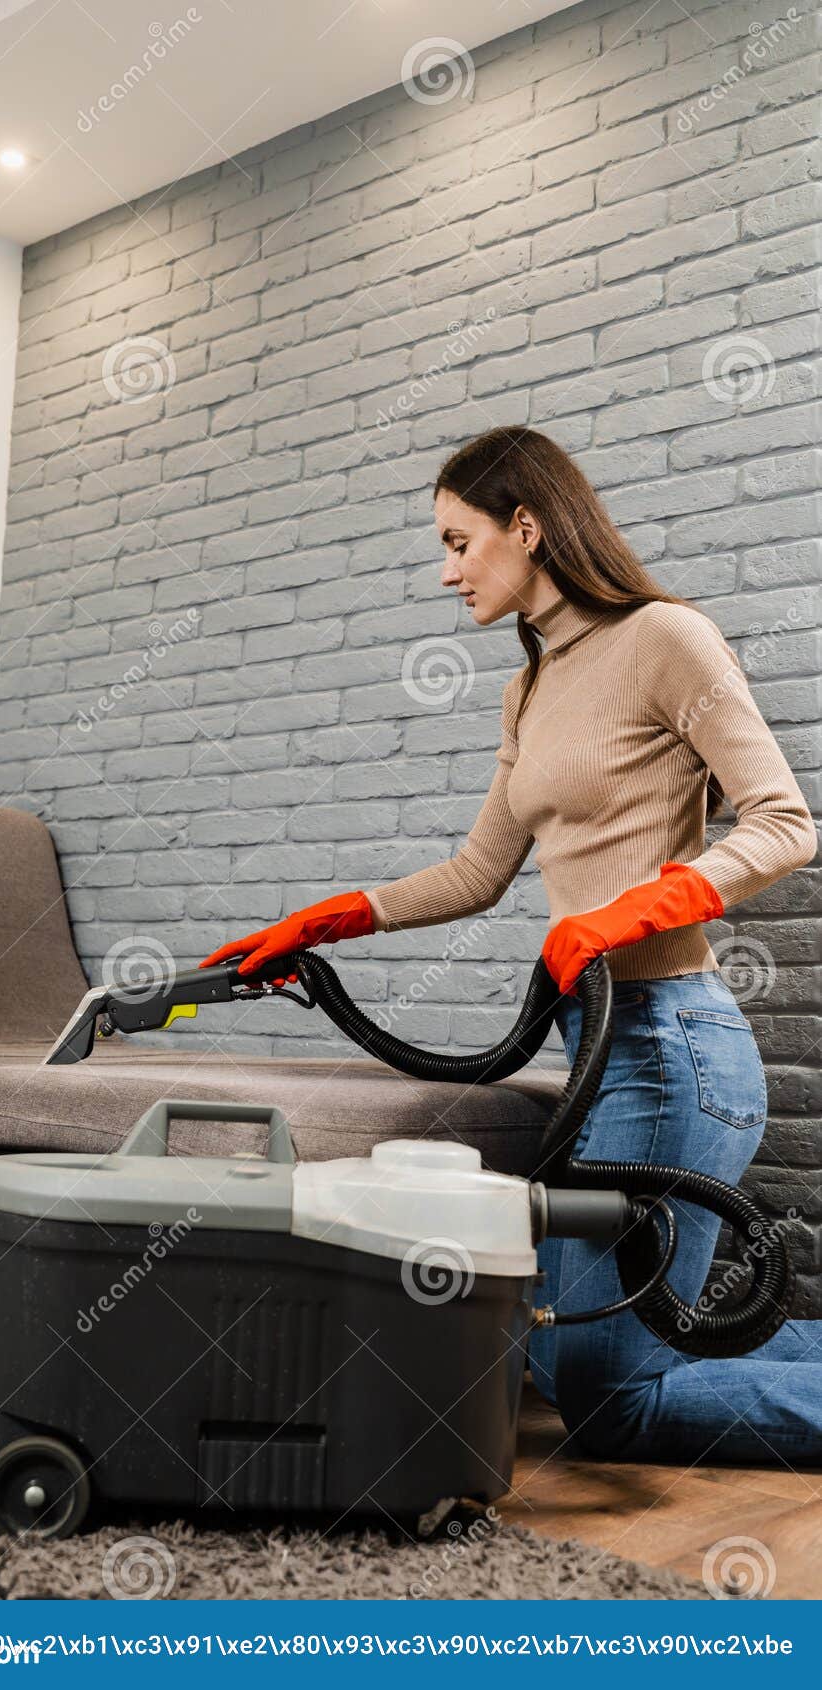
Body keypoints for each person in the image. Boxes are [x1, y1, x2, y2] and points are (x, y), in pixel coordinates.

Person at [199, 424, 820, 1466]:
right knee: (569, 1356)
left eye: (457, 541)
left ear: (525, 527)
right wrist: (322, 920)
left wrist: (635, 909)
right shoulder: (526, 689)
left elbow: (785, 820)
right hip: (596, 1052)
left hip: (675, 1052)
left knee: (612, 1402)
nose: (446, 572)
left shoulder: (666, 638)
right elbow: (476, 873)